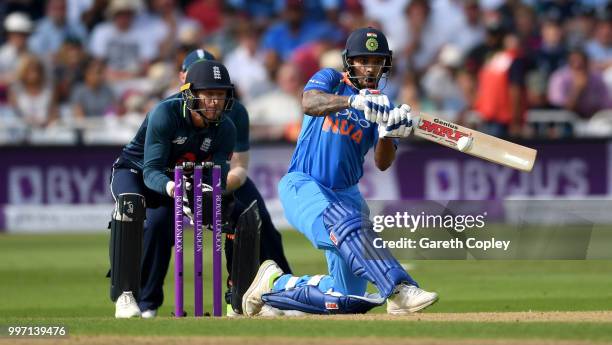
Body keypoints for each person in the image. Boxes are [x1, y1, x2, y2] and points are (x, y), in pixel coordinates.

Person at [241, 27, 438, 316]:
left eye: (376, 61)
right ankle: (398, 289)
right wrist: (353, 101)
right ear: (350, 62)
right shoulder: (331, 80)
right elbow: (309, 103)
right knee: (342, 219)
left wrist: (386, 131)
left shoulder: (385, 107)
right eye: (363, 61)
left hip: (347, 195)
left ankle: (273, 285)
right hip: (304, 184)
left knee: (345, 299)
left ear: (385, 64)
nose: (370, 68)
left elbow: (383, 163)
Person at [108, 59, 236, 318]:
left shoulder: (226, 129)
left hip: (178, 180)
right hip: (136, 171)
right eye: (209, 94)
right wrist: (173, 188)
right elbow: (150, 169)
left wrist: (209, 192)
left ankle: (149, 304)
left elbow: (218, 172)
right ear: (191, 94)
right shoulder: (165, 113)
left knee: (160, 225)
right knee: (131, 207)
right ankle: (124, 295)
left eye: (220, 95)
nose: (215, 102)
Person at [180, 49, 293, 313]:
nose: (211, 94)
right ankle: (143, 299)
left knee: (262, 224)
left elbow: (240, 165)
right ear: (183, 78)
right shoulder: (172, 110)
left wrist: (219, 188)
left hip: (223, 177)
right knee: (158, 226)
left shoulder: (236, 112)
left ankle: (287, 290)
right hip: (181, 180)